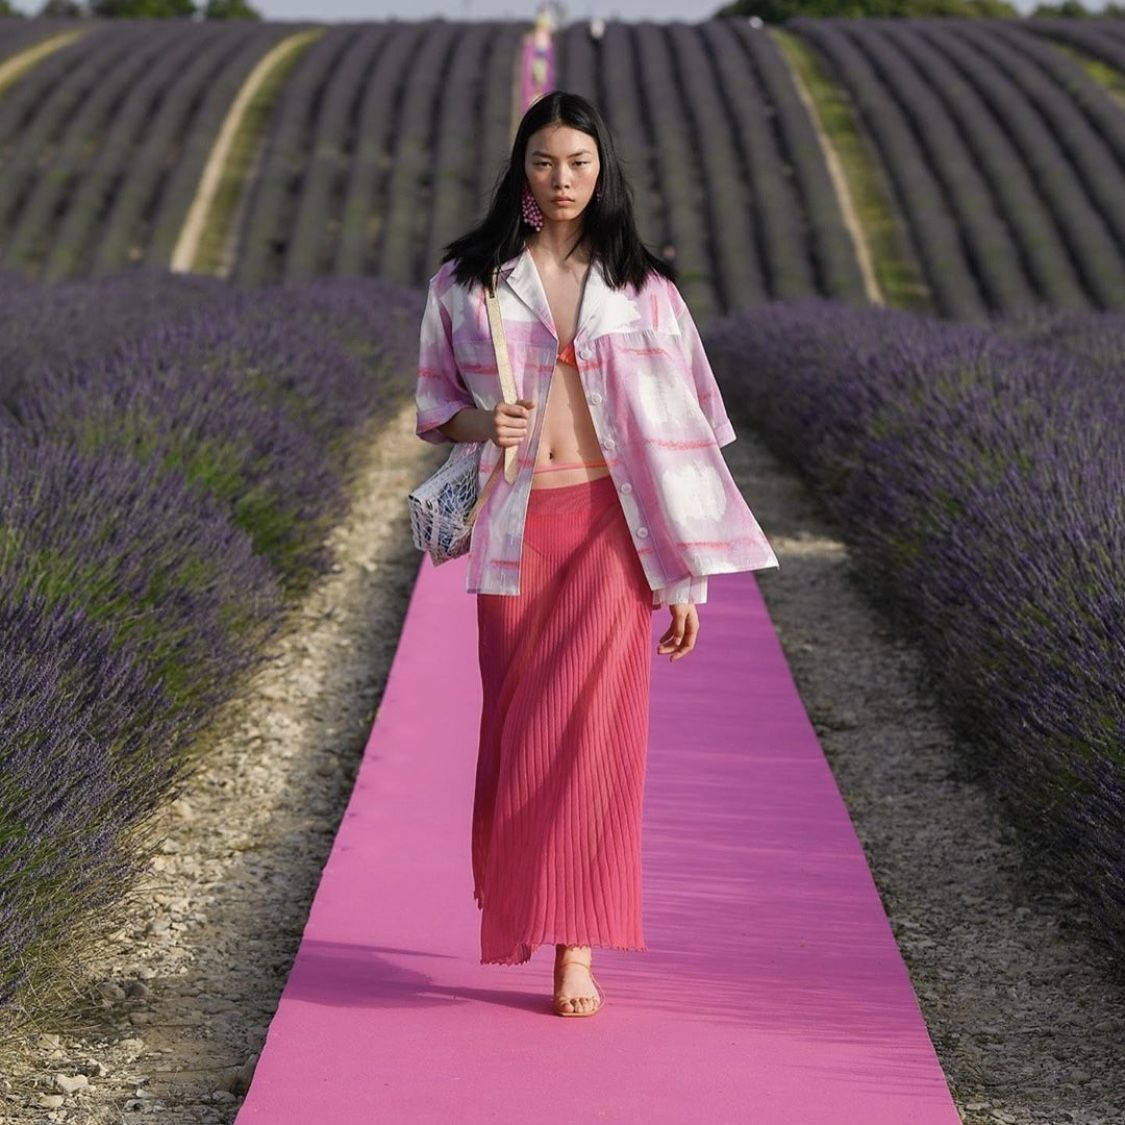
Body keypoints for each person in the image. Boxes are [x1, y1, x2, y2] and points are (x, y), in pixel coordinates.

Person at [414, 91, 779, 1017]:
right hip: (516, 531)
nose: (563, 179)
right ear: (520, 170)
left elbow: (688, 434)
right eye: (545, 162)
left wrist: (684, 573)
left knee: (598, 741)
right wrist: (478, 421)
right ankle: (524, 898)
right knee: (522, 732)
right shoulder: (470, 282)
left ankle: (575, 948)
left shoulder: (646, 290)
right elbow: (432, 410)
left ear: (602, 168)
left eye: (579, 162)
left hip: (613, 534)